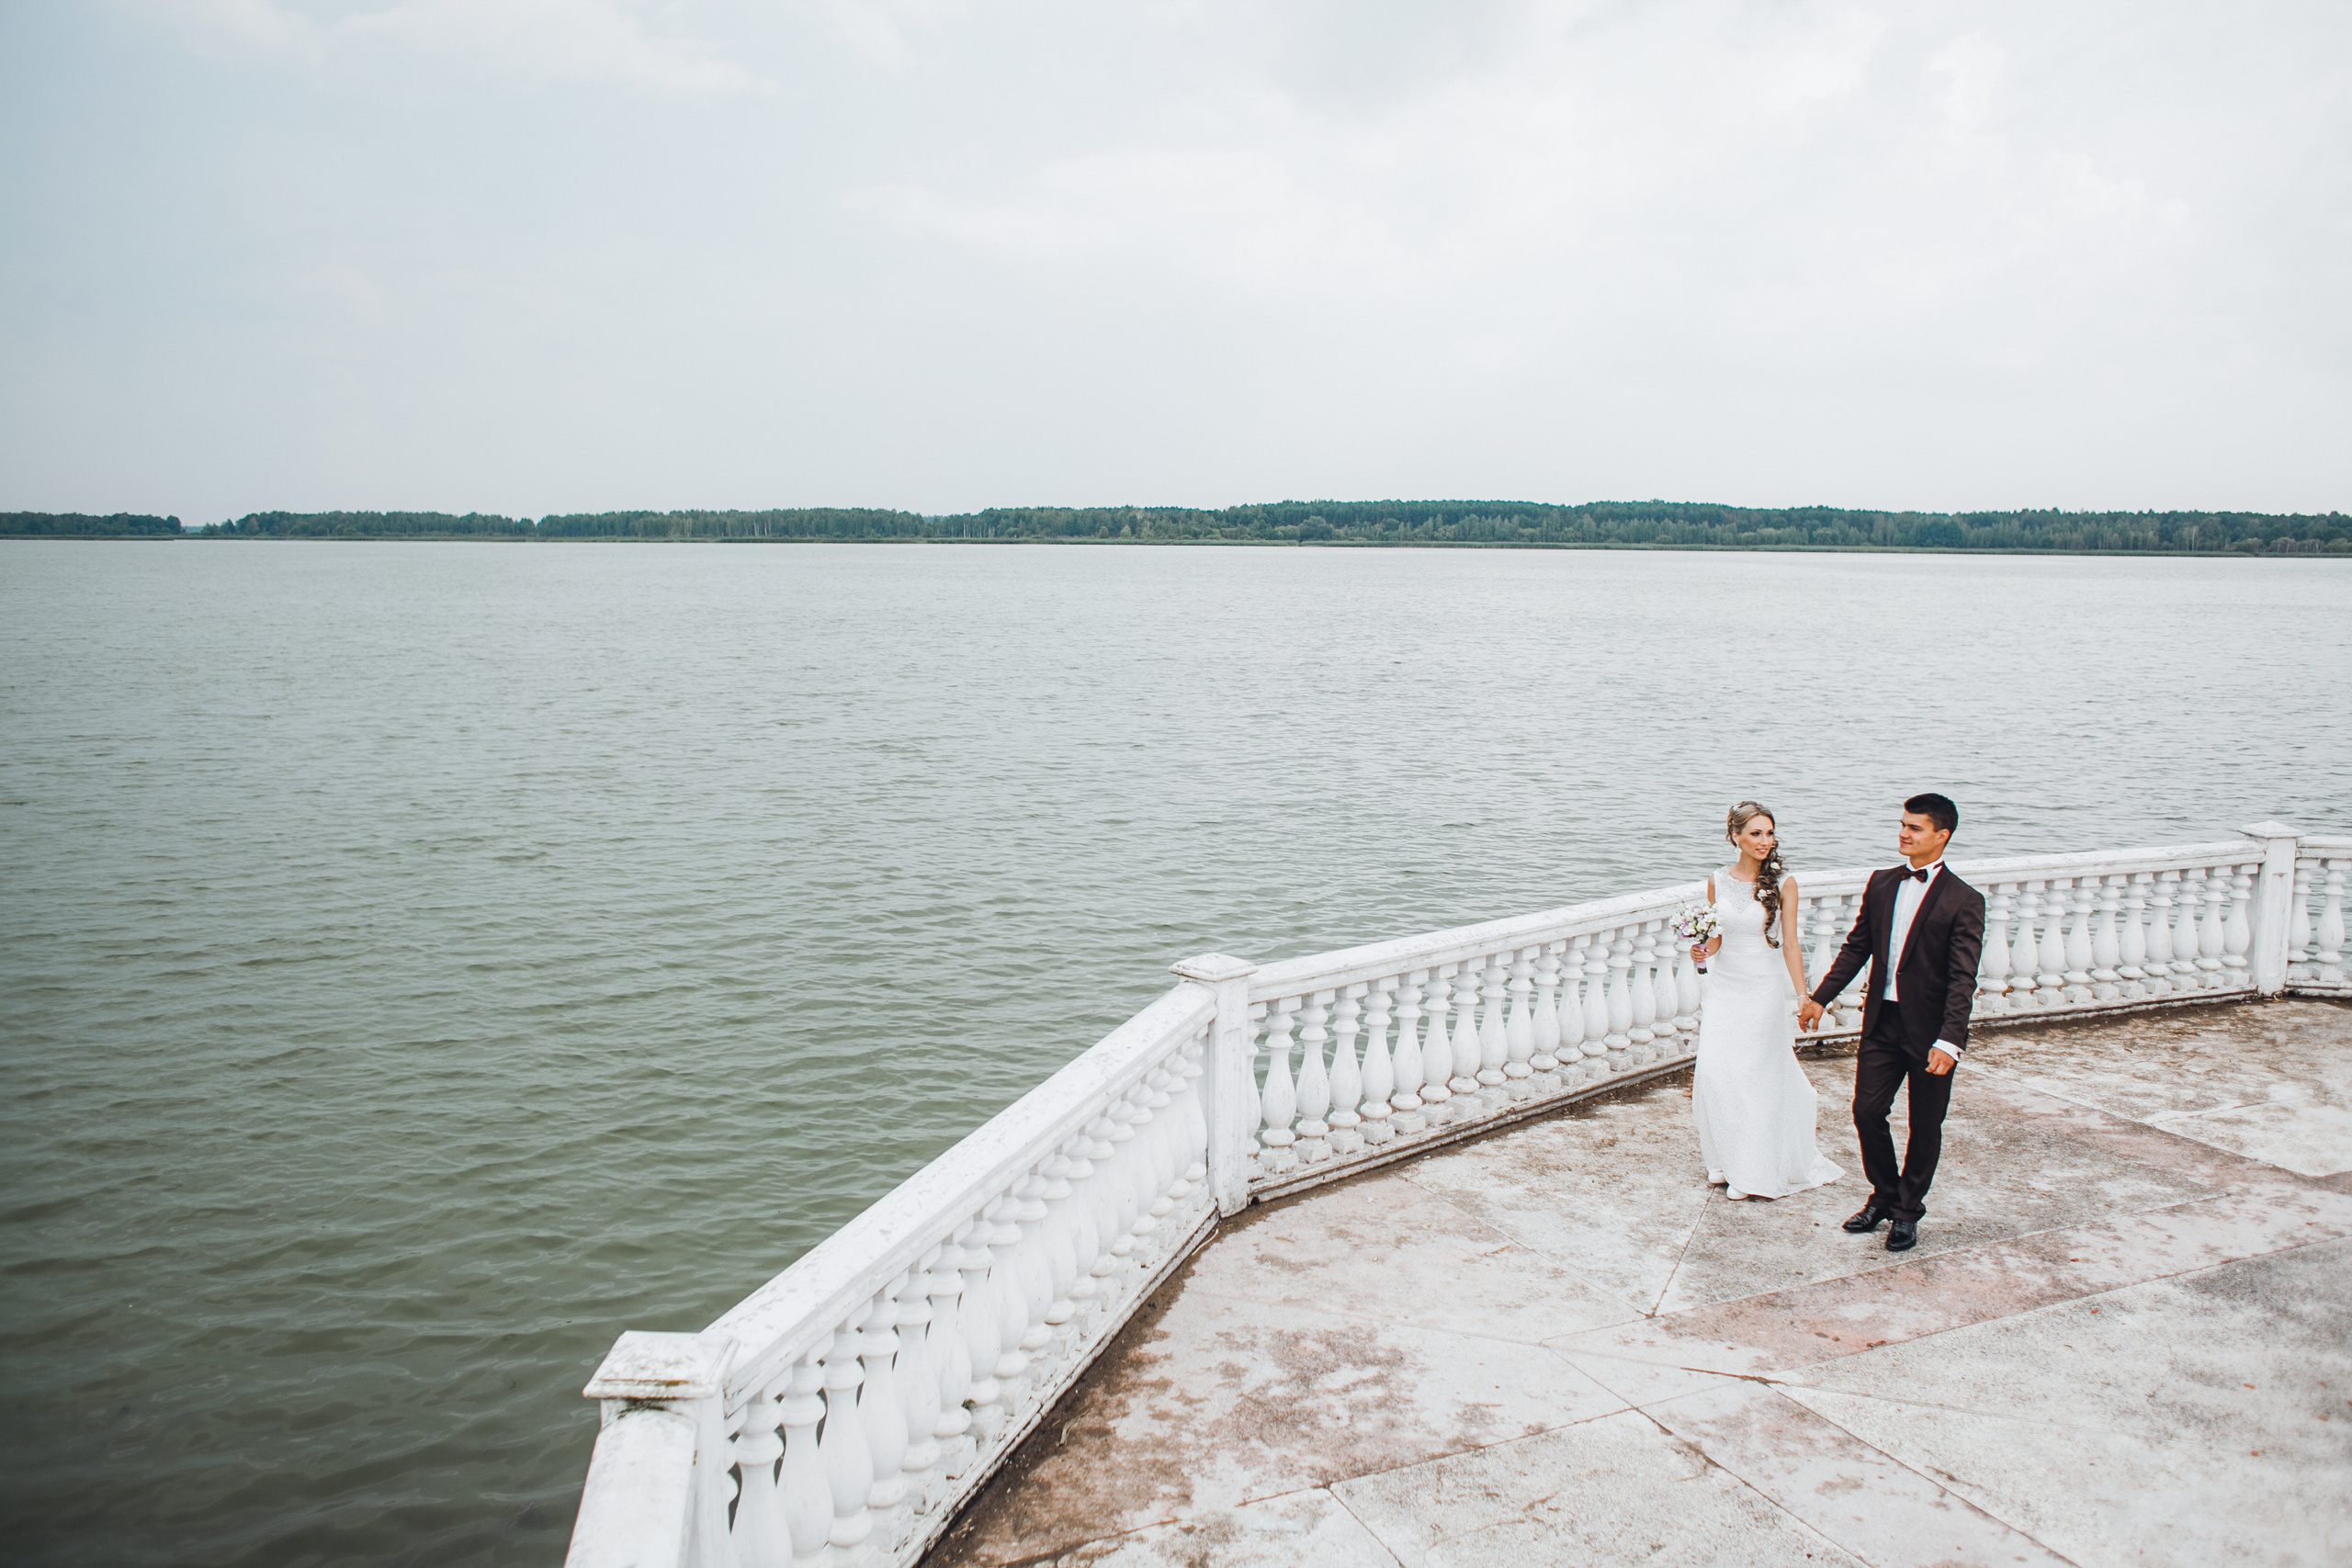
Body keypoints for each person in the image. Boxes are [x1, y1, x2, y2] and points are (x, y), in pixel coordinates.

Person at [1799, 793, 1986, 1253]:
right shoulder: (1882, 883)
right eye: (1902, 824)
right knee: (1866, 1112)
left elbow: (1964, 978)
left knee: (1925, 1126)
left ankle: (1907, 1211)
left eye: (1915, 828)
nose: (1903, 833)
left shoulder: (1964, 900)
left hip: (1932, 1031)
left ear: (1941, 836)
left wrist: (1951, 1040)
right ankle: (1883, 1196)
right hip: (1882, 1022)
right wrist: (1820, 998)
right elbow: (1856, 947)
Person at [1689, 802, 1843, 1202]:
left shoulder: (1784, 883)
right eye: (1756, 833)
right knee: (1714, 1072)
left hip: (1762, 987)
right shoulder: (1716, 882)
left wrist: (1802, 996)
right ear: (1735, 836)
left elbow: (1789, 942)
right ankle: (1724, 1159)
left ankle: (1753, 1170)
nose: (1764, 841)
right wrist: (1701, 950)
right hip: (1725, 987)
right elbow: (1717, 938)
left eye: (1769, 833)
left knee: (1754, 1076)